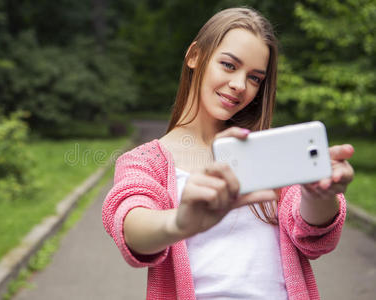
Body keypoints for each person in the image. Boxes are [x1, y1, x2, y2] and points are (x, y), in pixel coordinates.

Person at [102, 7, 354, 300]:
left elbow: (314, 237)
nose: (239, 86)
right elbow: (132, 228)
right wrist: (180, 223)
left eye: (255, 78)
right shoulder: (145, 162)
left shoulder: (268, 152)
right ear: (195, 55)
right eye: (229, 65)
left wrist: (318, 194)